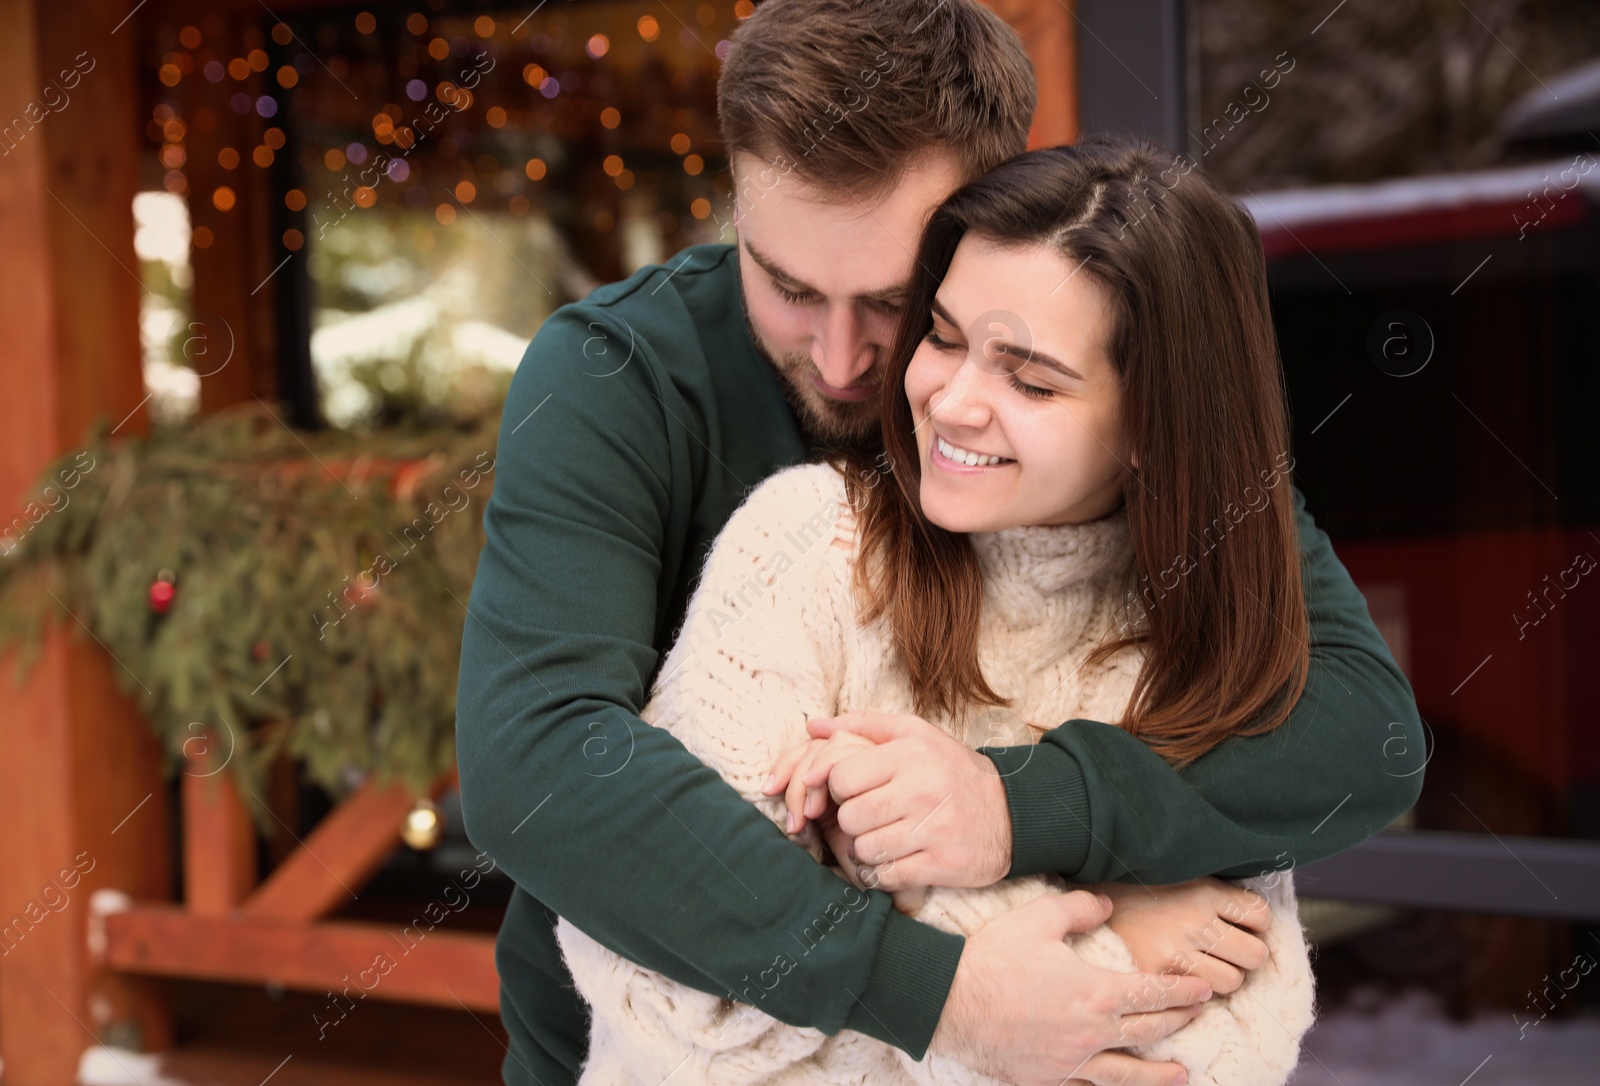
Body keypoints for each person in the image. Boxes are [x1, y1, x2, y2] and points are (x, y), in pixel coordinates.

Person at [454, 2, 1425, 1084]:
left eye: (894, 299)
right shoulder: (620, 379)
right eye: (783, 285)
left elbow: (1356, 730)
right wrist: (947, 990)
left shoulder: (1118, 397)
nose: (836, 360)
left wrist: (1021, 813)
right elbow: (542, 766)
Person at [555, 135, 1320, 1086]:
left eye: (1032, 380)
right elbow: (662, 986)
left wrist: (881, 869)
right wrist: (1086, 922)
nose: (952, 402)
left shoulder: (1196, 642)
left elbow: (1227, 1051)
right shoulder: (808, 545)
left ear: (1152, 426)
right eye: (945, 338)